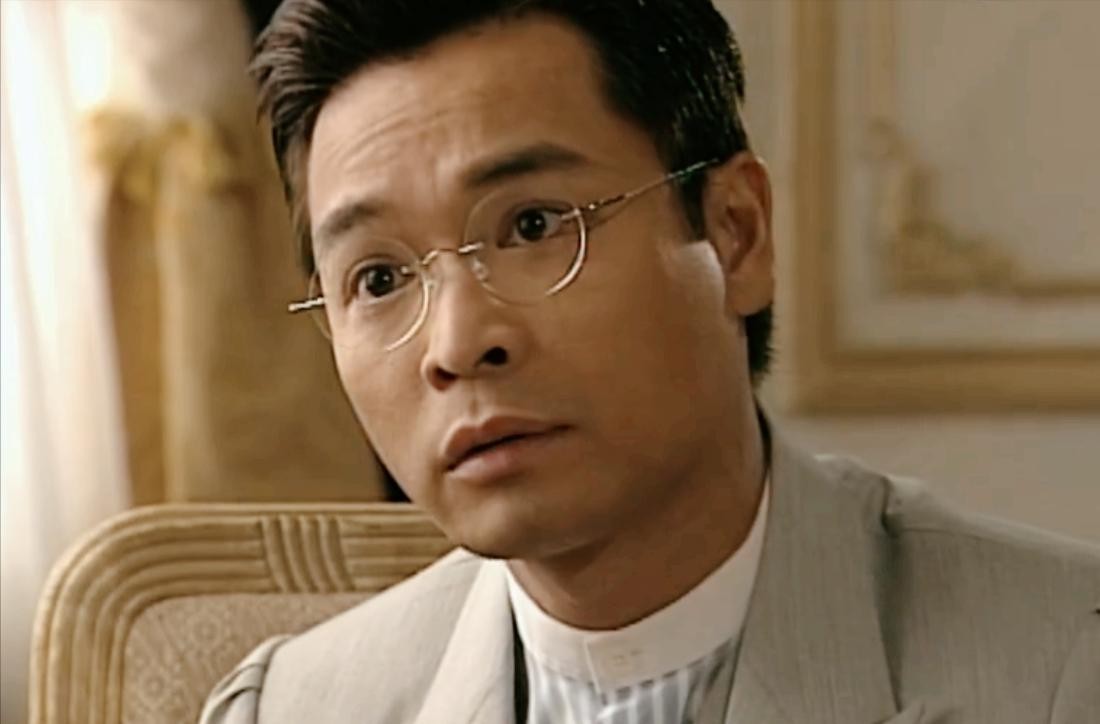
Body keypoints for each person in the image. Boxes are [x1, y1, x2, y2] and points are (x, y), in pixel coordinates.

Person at [200, 1, 1100, 722]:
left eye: (534, 226)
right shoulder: (290, 708)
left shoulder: (1064, 668)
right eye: (380, 277)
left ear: (735, 233)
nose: (459, 343)